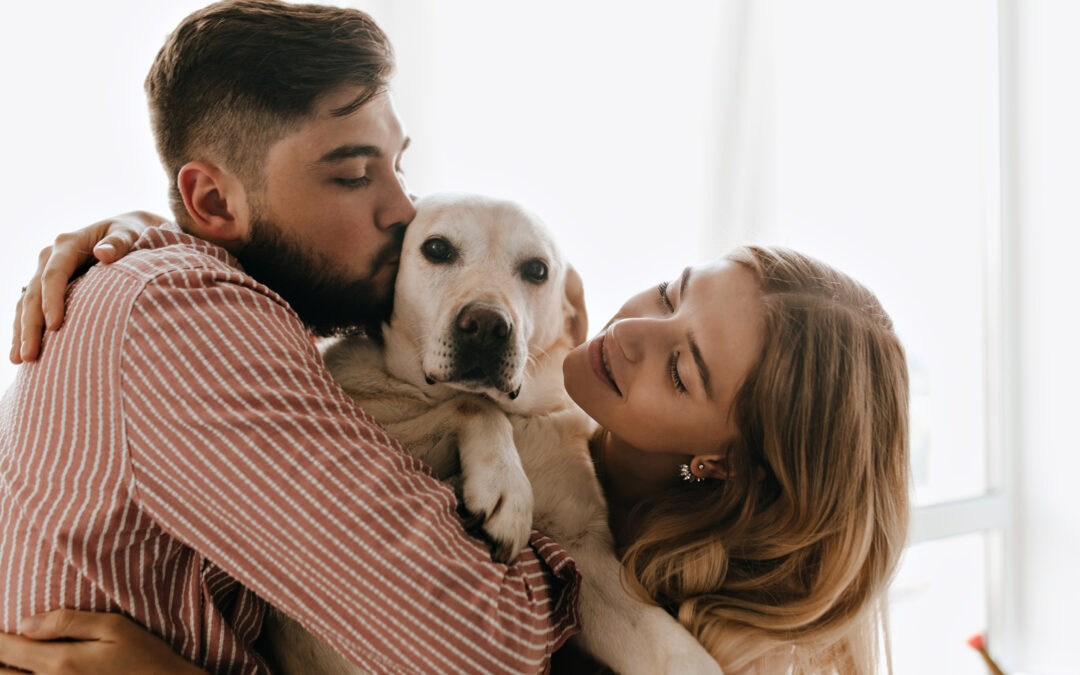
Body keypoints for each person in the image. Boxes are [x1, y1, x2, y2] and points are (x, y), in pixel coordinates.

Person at [9, 219, 911, 672]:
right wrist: (147, 251)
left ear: (726, 464)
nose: (639, 331)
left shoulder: (664, 640)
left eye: (684, 369)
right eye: (674, 289)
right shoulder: (540, 414)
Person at [0, 2, 582, 674]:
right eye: (354, 175)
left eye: (398, 165)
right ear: (215, 203)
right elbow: (486, 646)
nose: (403, 210)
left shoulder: (167, 286)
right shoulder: (189, 323)